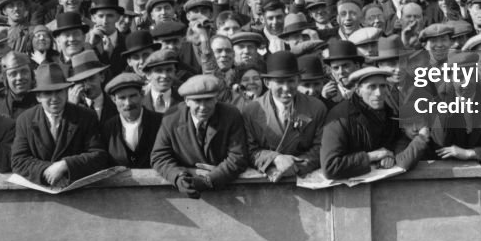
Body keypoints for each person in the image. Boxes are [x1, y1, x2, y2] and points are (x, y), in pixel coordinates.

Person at [320, 65, 431, 180]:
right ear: (358, 91)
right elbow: (330, 167)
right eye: (372, 87)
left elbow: (397, 153)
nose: (378, 93)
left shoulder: (390, 114)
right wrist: (371, 156)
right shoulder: (340, 116)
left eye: (382, 86)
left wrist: (389, 155)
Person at [10, 62, 109, 188]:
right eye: (47, 93)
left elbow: (99, 155)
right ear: (38, 97)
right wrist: (47, 171)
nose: (54, 98)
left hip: (79, 193)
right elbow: (18, 160)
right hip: (41, 196)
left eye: (59, 91)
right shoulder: (25, 120)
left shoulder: (86, 116)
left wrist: (65, 165)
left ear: (66, 91)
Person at [151, 74, 249, 198]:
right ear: (186, 101)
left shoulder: (230, 115)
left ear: (216, 99)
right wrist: (178, 177)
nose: (203, 107)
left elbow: (238, 157)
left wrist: (209, 180)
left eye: (208, 100)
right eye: (197, 101)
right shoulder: (171, 118)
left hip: (226, 190)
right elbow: (159, 156)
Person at [242, 51, 327, 180]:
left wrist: (294, 166)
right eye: (280, 82)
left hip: (303, 178)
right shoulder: (251, 111)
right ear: (267, 83)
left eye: (291, 81)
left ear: (298, 80)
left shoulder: (316, 108)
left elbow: (321, 147)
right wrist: (275, 159)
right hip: (267, 180)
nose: (286, 88)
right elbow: (250, 151)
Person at [101, 74, 162, 168]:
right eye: (122, 98)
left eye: (133, 96)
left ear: (142, 95)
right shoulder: (108, 127)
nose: (128, 103)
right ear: (114, 100)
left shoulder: (160, 122)